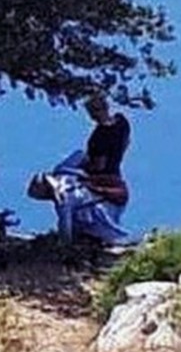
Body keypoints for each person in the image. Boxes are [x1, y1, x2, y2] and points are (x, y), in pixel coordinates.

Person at [28, 94, 139, 245]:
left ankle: (90, 238)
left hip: (102, 175)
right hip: (114, 173)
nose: (93, 116)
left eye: (93, 112)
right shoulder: (122, 122)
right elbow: (126, 143)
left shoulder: (98, 138)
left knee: (82, 205)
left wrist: (81, 172)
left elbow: (99, 164)